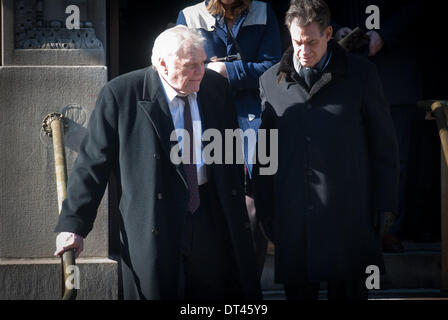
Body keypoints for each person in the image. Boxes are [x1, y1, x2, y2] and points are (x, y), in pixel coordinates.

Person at [53, 25, 261, 300]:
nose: (200, 71)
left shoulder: (214, 86)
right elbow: (92, 164)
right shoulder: (121, 94)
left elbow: (230, 149)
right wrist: (73, 224)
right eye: (191, 66)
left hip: (210, 215)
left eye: (202, 62)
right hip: (156, 219)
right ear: (162, 64)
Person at [254, 0, 399, 300]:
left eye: (311, 42)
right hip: (295, 218)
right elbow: (265, 152)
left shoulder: (361, 75)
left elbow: (383, 144)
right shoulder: (270, 81)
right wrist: (266, 205)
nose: (303, 50)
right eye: (296, 42)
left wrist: (386, 202)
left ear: (329, 33)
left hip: (349, 216)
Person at [177, 0, 282, 280]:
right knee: (209, 201)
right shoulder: (190, 15)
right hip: (206, 119)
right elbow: (179, 67)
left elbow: (274, 67)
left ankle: (248, 284)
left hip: (255, 119)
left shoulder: (263, 11)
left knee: (253, 207)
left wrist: (226, 71)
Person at [327, 0, 422, 252]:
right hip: (347, 74)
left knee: (394, 155)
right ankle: (352, 227)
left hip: (395, 75)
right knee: (350, 154)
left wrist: (385, 34)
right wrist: (337, 30)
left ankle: (387, 229)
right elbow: (316, 7)